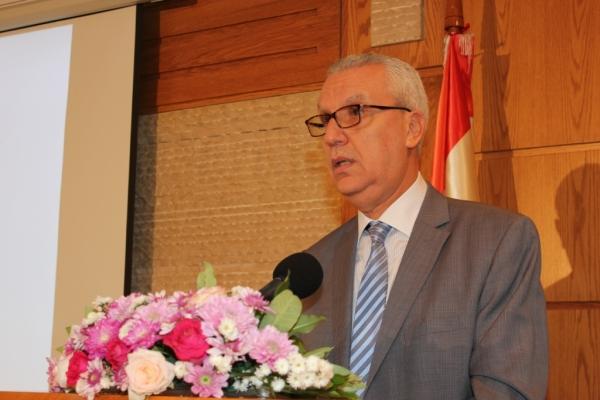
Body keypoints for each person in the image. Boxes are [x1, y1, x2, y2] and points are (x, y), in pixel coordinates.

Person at [302, 53, 548, 399]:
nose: (331, 136)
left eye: (354, 112)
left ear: (412, 128)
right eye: (326, 119)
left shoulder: (496, 242)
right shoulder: (310, 268)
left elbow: (507, 391)